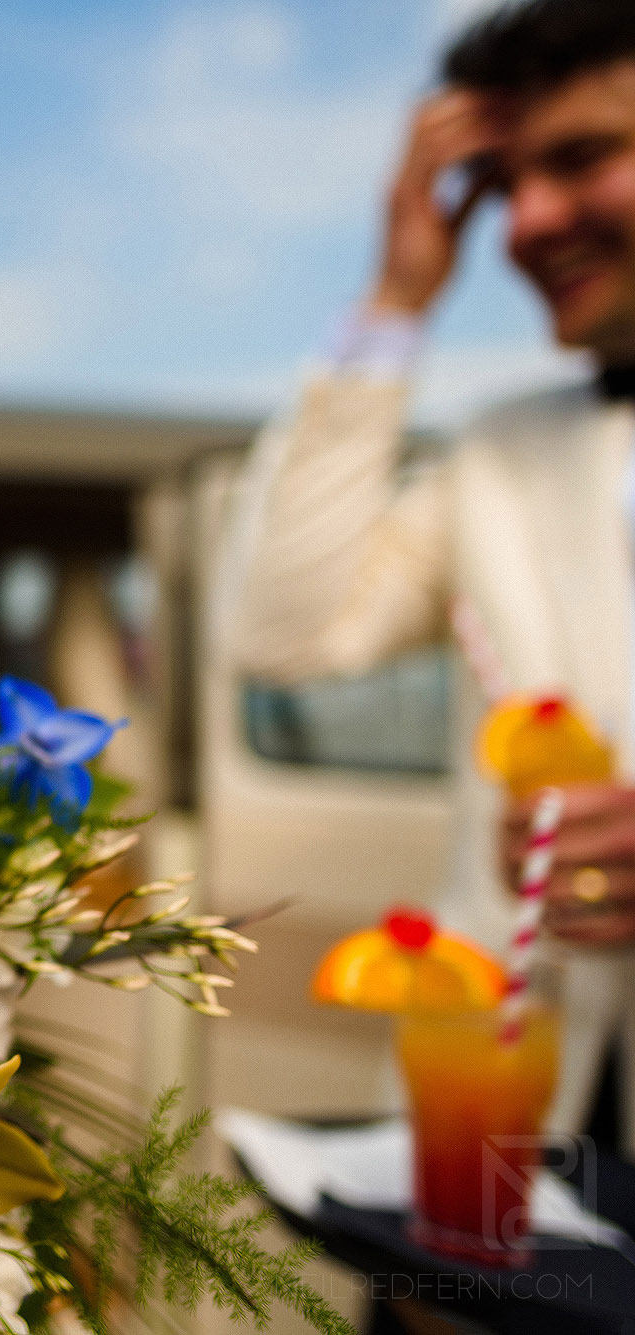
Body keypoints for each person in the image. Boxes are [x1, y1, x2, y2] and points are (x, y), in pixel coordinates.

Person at [222, 0, 635, 1149]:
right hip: (503, 1142)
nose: (526, 222)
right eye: (505, 185)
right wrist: (397, 296)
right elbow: (282, 633)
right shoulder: (500, 455)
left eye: (581, 158)